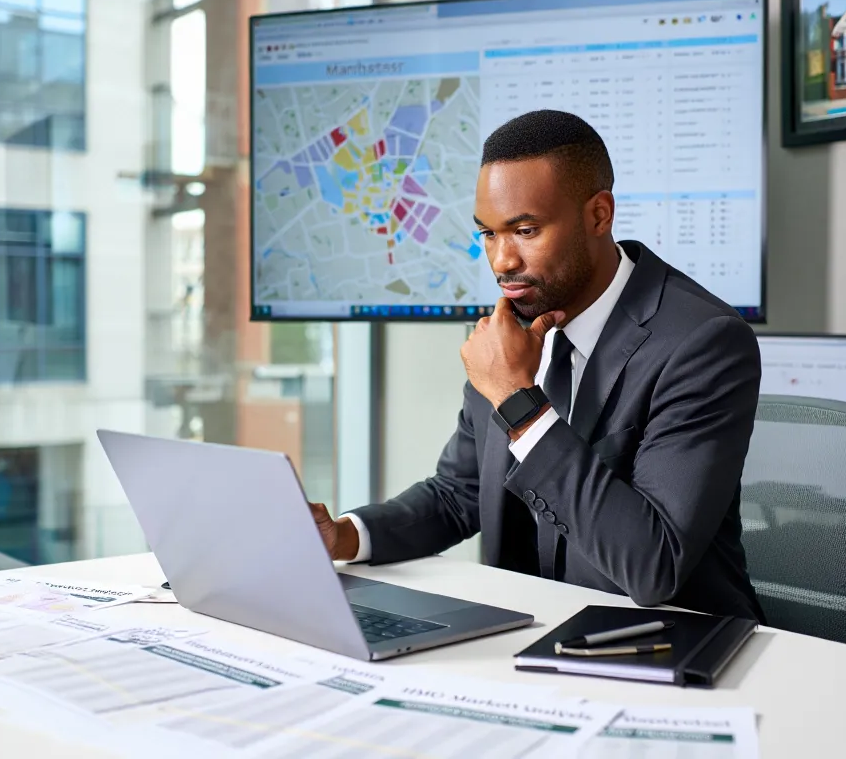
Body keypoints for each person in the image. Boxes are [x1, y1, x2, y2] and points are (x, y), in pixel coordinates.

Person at [312, 110, 765, 620]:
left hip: (671, 642)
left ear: (599, 215)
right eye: (487, 234)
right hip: (528, 634)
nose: (502, 260)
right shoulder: (513, 332)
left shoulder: (702, 343)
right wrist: (346, 535)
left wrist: (517, 401)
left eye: (525, 230)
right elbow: (459, 494)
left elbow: (654, 567)